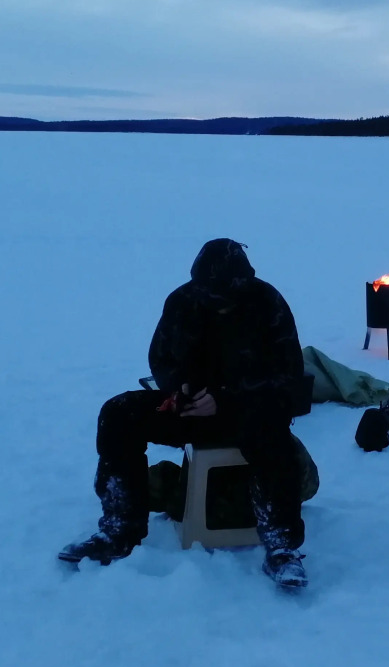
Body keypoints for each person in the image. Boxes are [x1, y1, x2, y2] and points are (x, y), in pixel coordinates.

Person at [58, 239, 311, 589]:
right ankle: (119, 530)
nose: (219, 304)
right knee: (118, 413)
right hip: (190, 410)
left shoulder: (268, 303)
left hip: (250, 413)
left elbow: (288, 380)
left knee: (273, 437)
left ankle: (282, 545)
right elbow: (161, 360)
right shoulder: (182, 302)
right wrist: (181, 390)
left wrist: (225, 398)